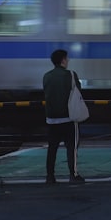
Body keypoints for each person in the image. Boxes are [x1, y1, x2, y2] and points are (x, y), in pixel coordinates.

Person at [43, 49, 86, 184]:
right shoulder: (71, 75)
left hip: (51, 119)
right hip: (69, 118)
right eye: (66, 59)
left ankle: (50, 176)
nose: (68, 61)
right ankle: (73, 175)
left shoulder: (46, 76)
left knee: (52, 148)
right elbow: (79, 92)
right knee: (71, 148)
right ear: (62, 60)